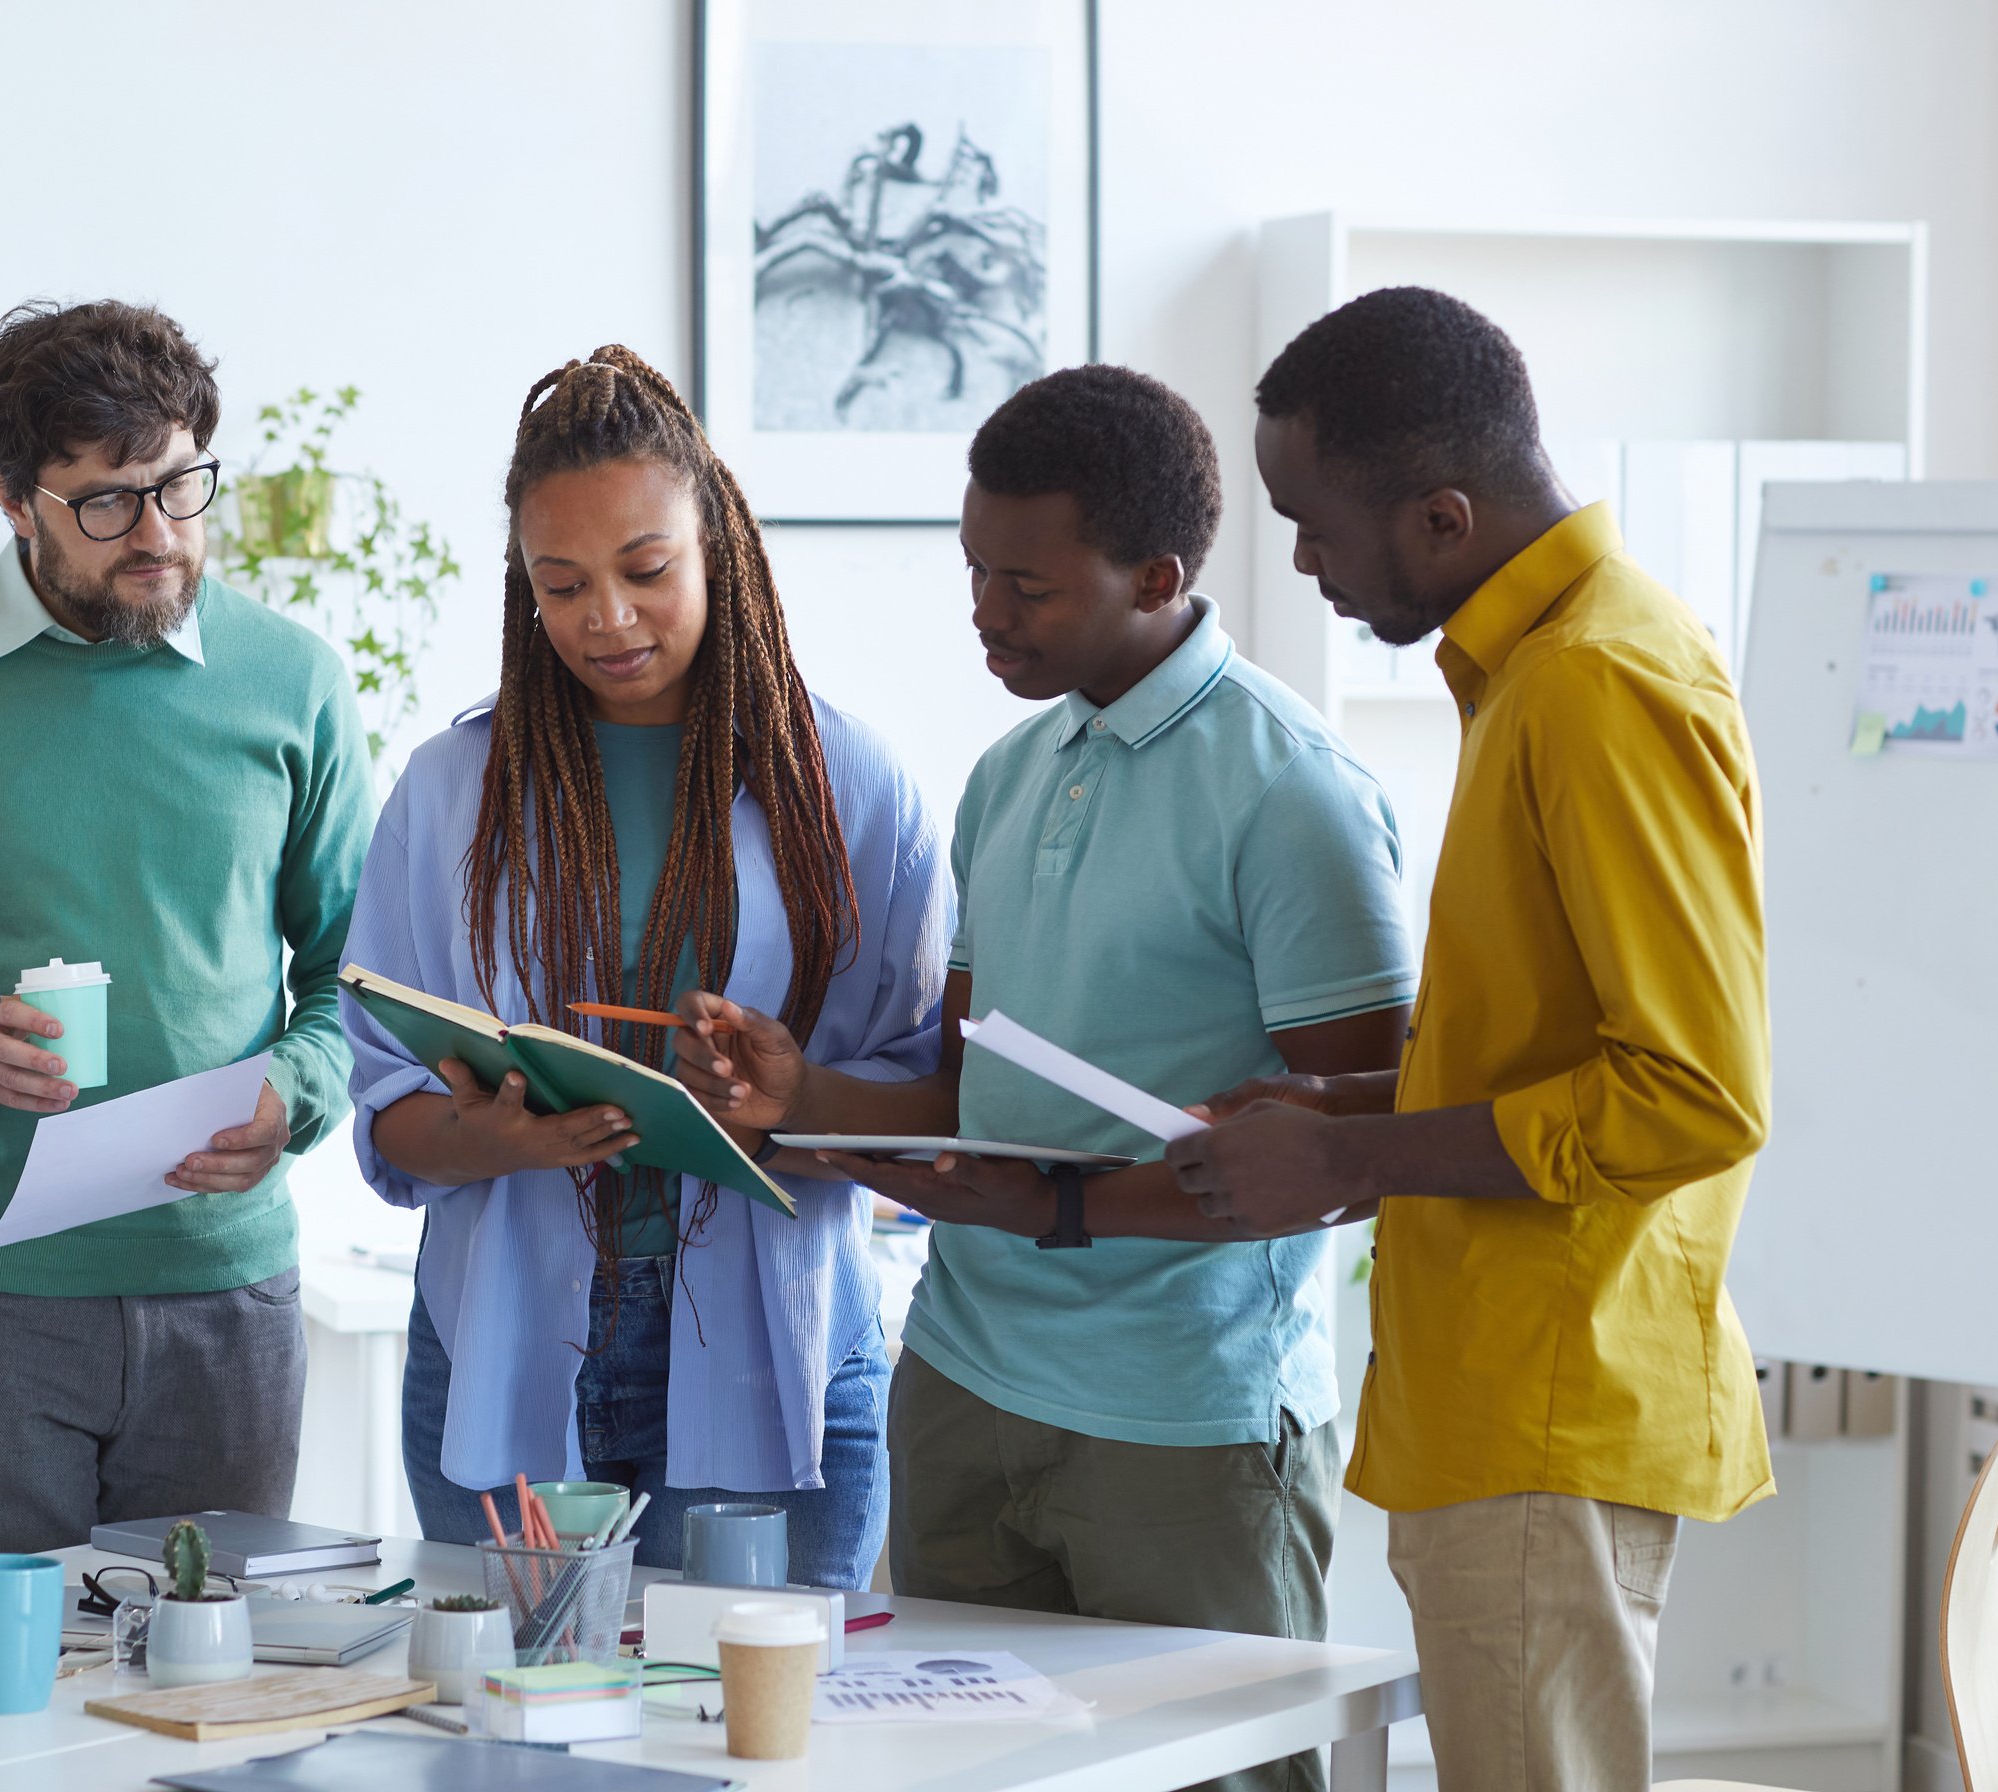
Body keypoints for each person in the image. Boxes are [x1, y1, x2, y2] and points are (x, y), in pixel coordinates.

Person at [674, 365, 1414, 1791]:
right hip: (962, 1381)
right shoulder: (1009, 777)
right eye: (973, 570)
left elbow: (1351, 1160)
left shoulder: (1295, 795)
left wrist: (1057, 1215)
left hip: (1183, 1424)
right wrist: (804, 1094)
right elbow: (969, 1097)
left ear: (1159, 575)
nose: (984, 614)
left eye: (1027, 586)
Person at [1169, 285, 1773, 1789]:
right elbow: (1556, 1036)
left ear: (1442, 516)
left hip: (1546, 1406)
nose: (1296, 560)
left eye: (1314, 523)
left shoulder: (1592, 682)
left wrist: (1352, 1151)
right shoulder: (1543, 667)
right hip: (1509, 1395)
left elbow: (1692, 1094)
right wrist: (1337, 1110)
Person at [343, 345, 949, 1591]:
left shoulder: (849, 785)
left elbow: (931, 1104)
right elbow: (388, 1111)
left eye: (646, 570)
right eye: (559, 585)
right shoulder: (452, 790)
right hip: (498, 1353)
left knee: (755, 1747)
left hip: (774, 1348)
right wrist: (497, 1139)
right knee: (514, 1753)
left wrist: (792, 1105)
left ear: (718, 543)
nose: (604, 620)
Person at [0, 300, 377, 1570]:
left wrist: (300, 1087)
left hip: (226, 1293)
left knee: (212, 1705)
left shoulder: (296, 682)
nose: (159, 535)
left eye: (179, 486)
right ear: (13, 498)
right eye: (107, 501)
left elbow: (358, 977)